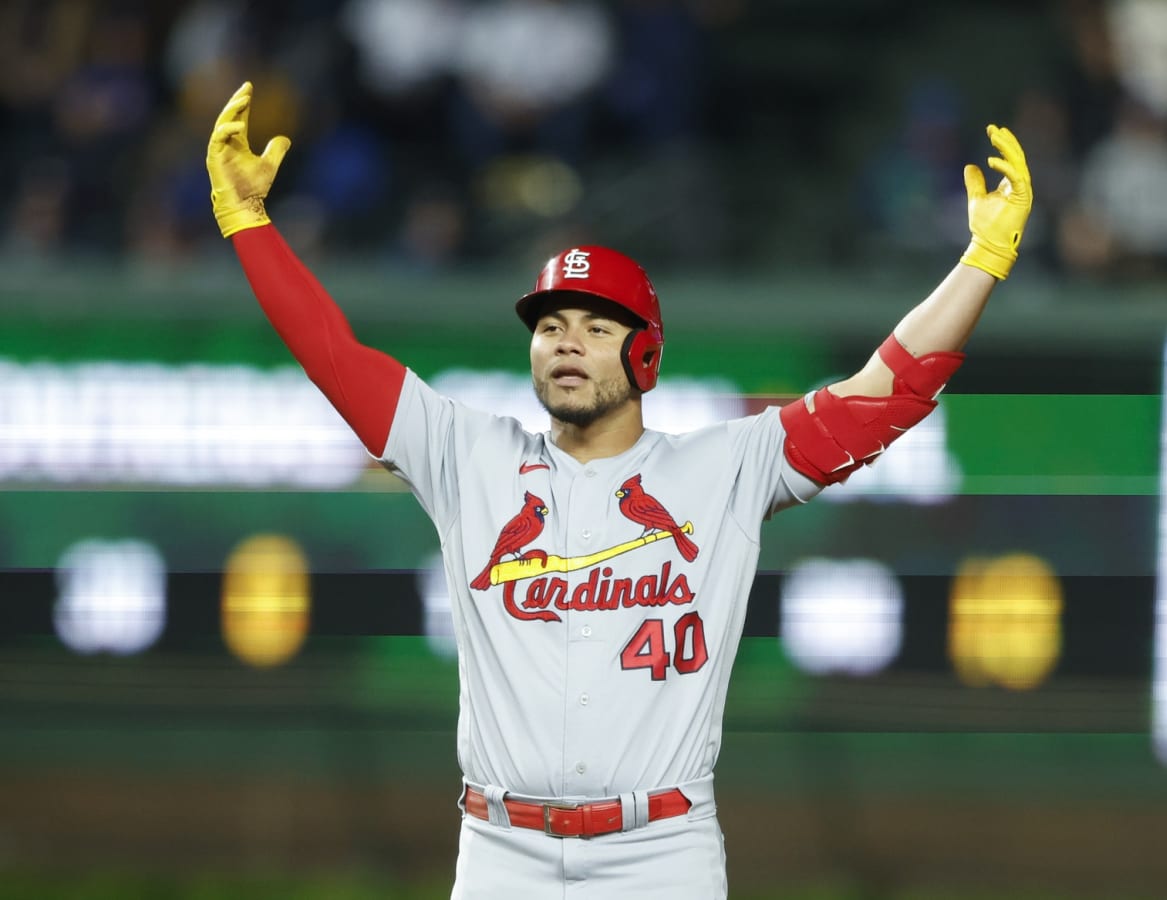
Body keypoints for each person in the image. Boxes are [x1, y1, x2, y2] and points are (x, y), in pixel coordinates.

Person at [206, 81, 1032, 899]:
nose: (567, 343)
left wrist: (981, 262)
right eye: (551, 326)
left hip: (660, 852)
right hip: (502, 852)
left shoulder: (725, 469)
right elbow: (333, 355)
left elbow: (886, 391)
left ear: (645, 357)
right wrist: (249, 227)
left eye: (597, 327)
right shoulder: (466, 455)